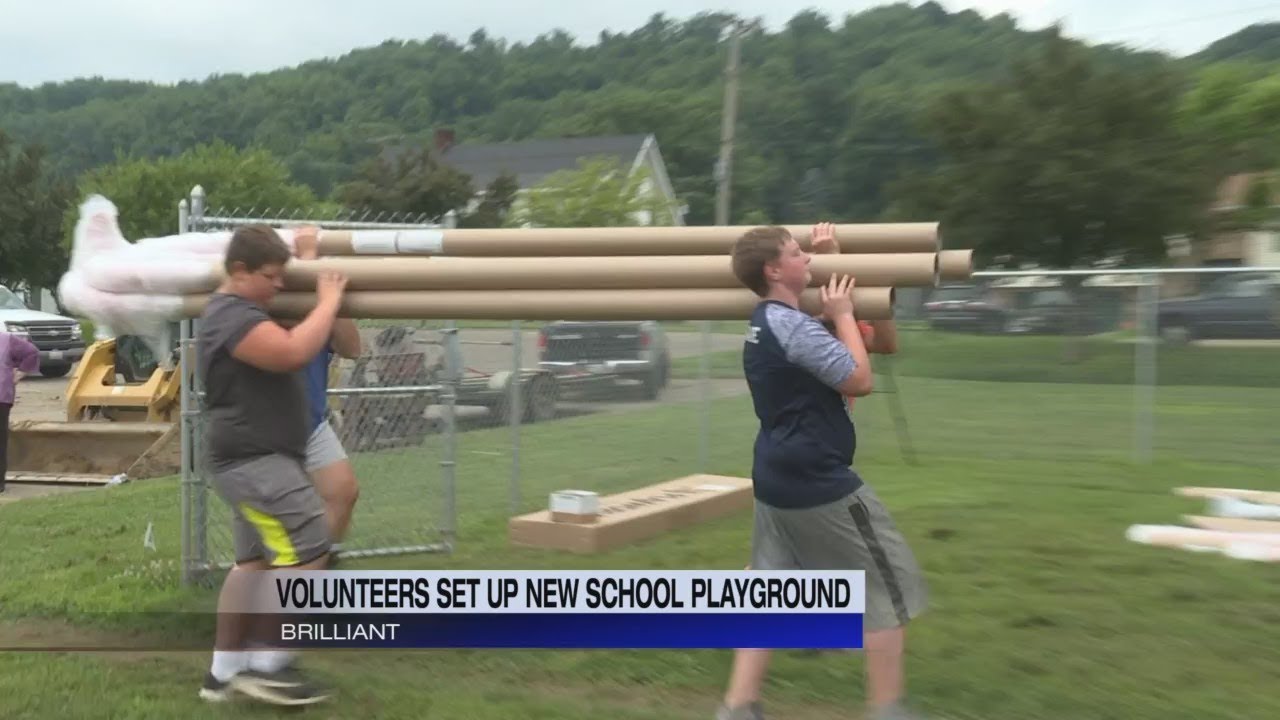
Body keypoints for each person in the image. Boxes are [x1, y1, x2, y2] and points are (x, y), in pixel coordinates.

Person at [717, 224, 930, 720]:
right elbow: (860, 377)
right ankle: (887, 711)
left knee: (767, 590)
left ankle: (738, 707)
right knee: (884, 585)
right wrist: (842, 312)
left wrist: (843, 276)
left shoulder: (776, 320)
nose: (807, 260)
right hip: (814, 477)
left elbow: (883, 344)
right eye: (798, 254)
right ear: (774, 269)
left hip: (775, 472)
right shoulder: (798, 326)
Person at [196, 223, 347, 707]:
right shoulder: (230, 316)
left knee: (253, 563)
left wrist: (305, 260)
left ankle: (222, 674)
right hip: (253, 460)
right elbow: (291, 353)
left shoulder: (244, 308)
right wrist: (327, 300)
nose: (278, 285)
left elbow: (322, 340)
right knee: (311, 544)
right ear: (239, 271)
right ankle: (269, 663)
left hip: (256, 458)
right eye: (270, 276)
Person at [291, 232, 362, 549]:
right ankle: (276, 580)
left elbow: (352, 348)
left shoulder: (322, 301)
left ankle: (318, 561)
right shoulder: (274, 295)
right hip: (270, 424)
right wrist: (308, 257)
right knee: (282, 514)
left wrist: (334, 300)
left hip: (311, 421)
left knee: (343, 492)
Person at [1, 330, 40, 493]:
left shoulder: (7, 340)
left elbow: (31, 353)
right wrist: (18, 374)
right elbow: (31, 352)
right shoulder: (7, 340)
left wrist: (19, 375)